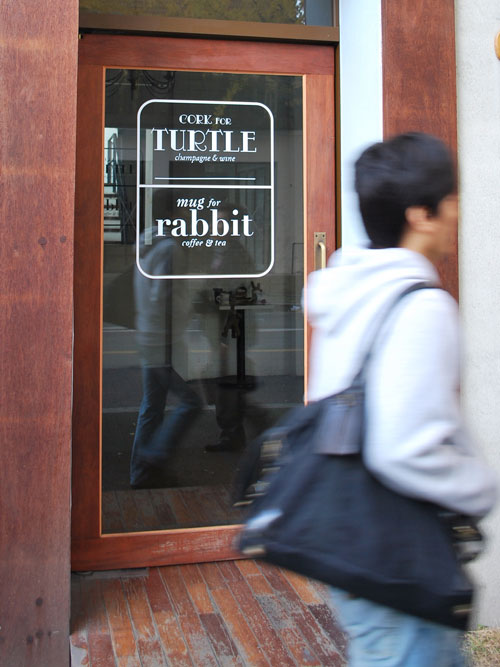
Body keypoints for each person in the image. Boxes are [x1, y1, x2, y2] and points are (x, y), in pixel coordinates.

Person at [306, 133, 497, 666]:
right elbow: (403, 449)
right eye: (451, 199)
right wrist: (480, 488)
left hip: (345, 537)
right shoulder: (421, 306)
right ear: (421, 215)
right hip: (395, 549)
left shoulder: (348, 288)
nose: (459, 211)